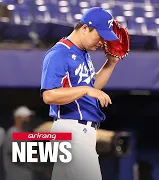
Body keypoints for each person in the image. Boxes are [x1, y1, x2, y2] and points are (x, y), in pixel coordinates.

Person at [40, 7, 122, 180]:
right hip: (72, 130)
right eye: (99, 35)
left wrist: (111, 63)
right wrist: (86, 89)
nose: (102, 42)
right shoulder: (59, 53)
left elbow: (93, 87)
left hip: (78, 131)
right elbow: (49, 96)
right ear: (84, 28)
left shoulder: (82, 52)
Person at [2, 106, 35, 180]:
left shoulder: (26, 133)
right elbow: (13, 155)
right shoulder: (12, 133)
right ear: (19, 118)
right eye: (26, 117)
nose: (29, 119)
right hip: (16, 175)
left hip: (27, 175)